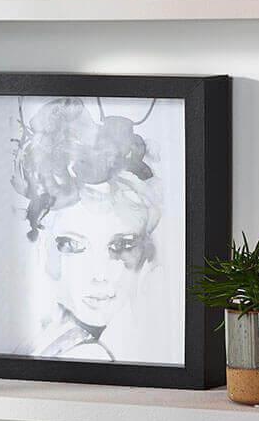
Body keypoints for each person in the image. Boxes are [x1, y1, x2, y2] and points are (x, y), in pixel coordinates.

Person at [11, 95, 163, 360]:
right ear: (43, 247)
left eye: (122, 246)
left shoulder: (71, 341)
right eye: (71, 245)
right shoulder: (85, 351)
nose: (99, 274)